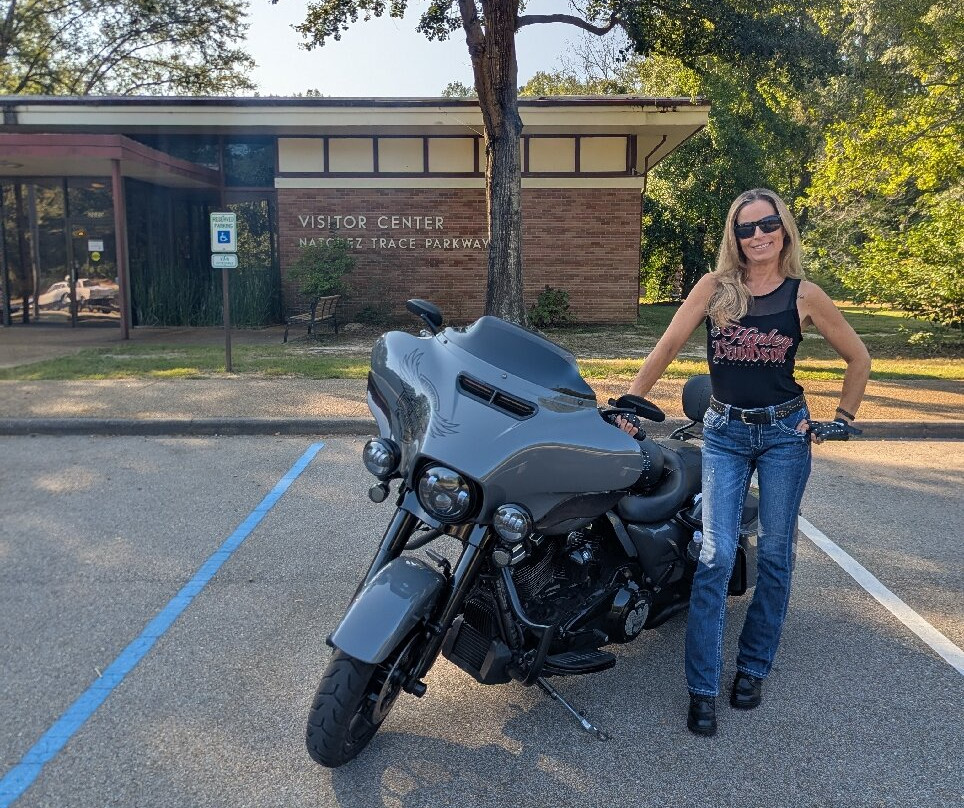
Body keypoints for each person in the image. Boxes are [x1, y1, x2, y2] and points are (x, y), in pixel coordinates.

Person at [621, 188, 871, 737]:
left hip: (785, 435)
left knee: (776, 556)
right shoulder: (715, 288)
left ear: (784, 229)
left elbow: (859, 357)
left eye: (767, 224)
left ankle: (753, 668)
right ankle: (703, 687)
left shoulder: (805, 295)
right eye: (746, 227)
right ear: (734, 237)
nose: (758, 235)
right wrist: (631, 400)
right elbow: (667, 346)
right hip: (725, 433)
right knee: (714, 555)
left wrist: (841, 419)